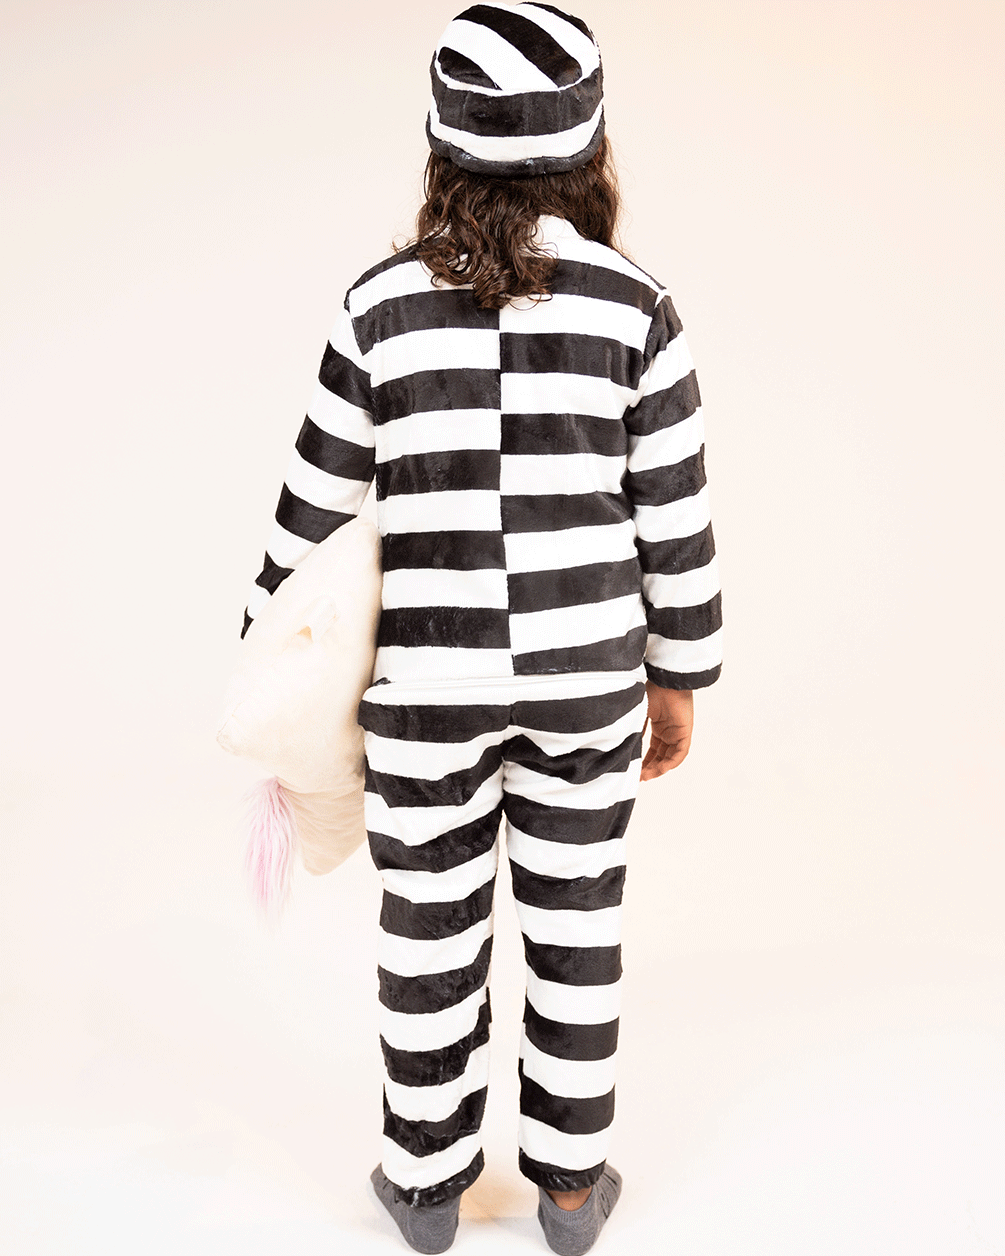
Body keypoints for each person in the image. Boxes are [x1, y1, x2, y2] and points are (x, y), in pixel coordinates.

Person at [242, 5, 721, 1252]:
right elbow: (675, 515)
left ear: (440, 148)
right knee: (576, 926)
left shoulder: (378, 308)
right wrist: (677, 676)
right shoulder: (639, 310)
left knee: (428, 931)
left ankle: (424, 1183)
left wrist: (263, 652)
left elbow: (307, 512)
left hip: (426, 688)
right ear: (591, 149)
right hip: (586, 681)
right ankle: (569, 1186)